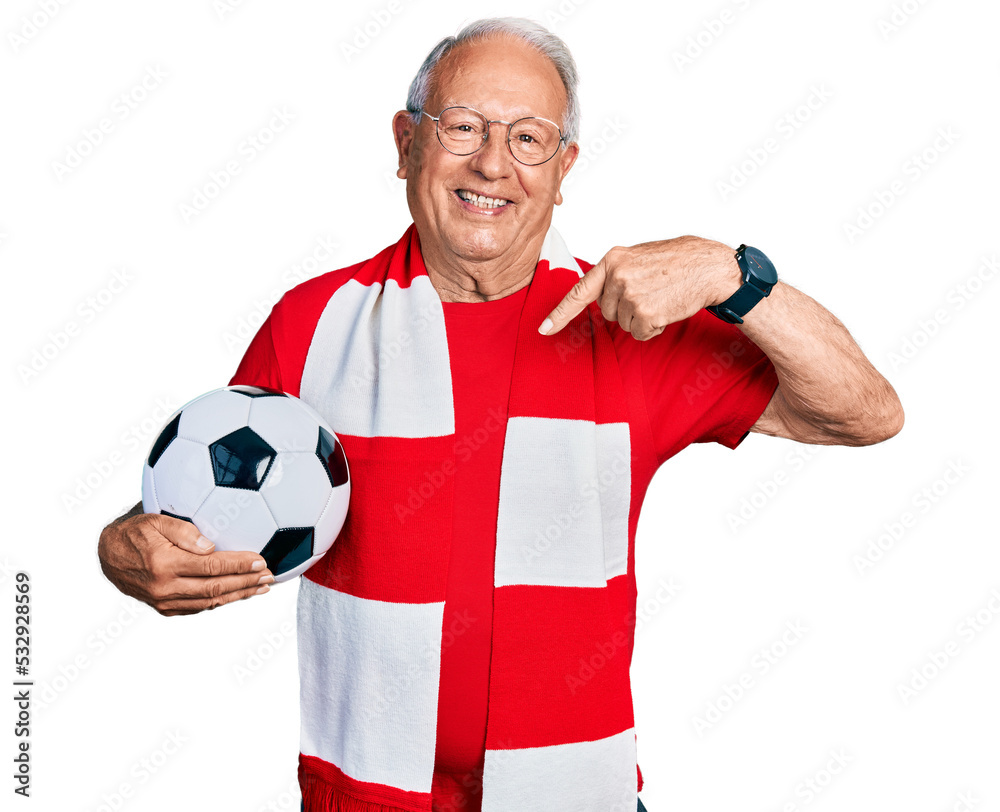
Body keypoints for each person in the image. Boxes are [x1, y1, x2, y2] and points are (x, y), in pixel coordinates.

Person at [97, 17, 903, 812]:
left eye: (528, 138)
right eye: (463, 127)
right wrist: (123, 546)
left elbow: (866, 413)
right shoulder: (314, 322)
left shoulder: (631, 323)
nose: (492, 162)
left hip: (576, 795)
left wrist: (731, 274)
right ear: (406, 143)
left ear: (563, 168)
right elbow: (214, 501)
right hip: (365, 797)